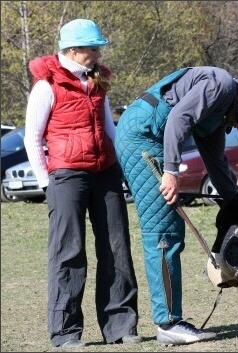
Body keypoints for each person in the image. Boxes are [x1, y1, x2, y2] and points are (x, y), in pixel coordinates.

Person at [114, 67, 238, 345]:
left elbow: (215, 163)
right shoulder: (221, 86)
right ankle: (168, 323)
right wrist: (171, 171)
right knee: (163, 231)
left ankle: (170, 320)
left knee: (169, 229)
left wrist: (237, 202)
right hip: (142, 136)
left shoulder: (219, 111)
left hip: (147, 134)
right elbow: (179, 117)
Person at [24, 19, 141, 349]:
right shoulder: (47, 86)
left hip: (106, 173)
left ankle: (121, 326)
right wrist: (47, 183)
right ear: (72, 50)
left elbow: (110, 129)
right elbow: (33, 138)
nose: (98, 53)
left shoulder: (97, 80)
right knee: (68, 254)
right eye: (93, 48)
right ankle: (65, 332)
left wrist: (126, 167)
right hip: (66, 177)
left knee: (117, 248)